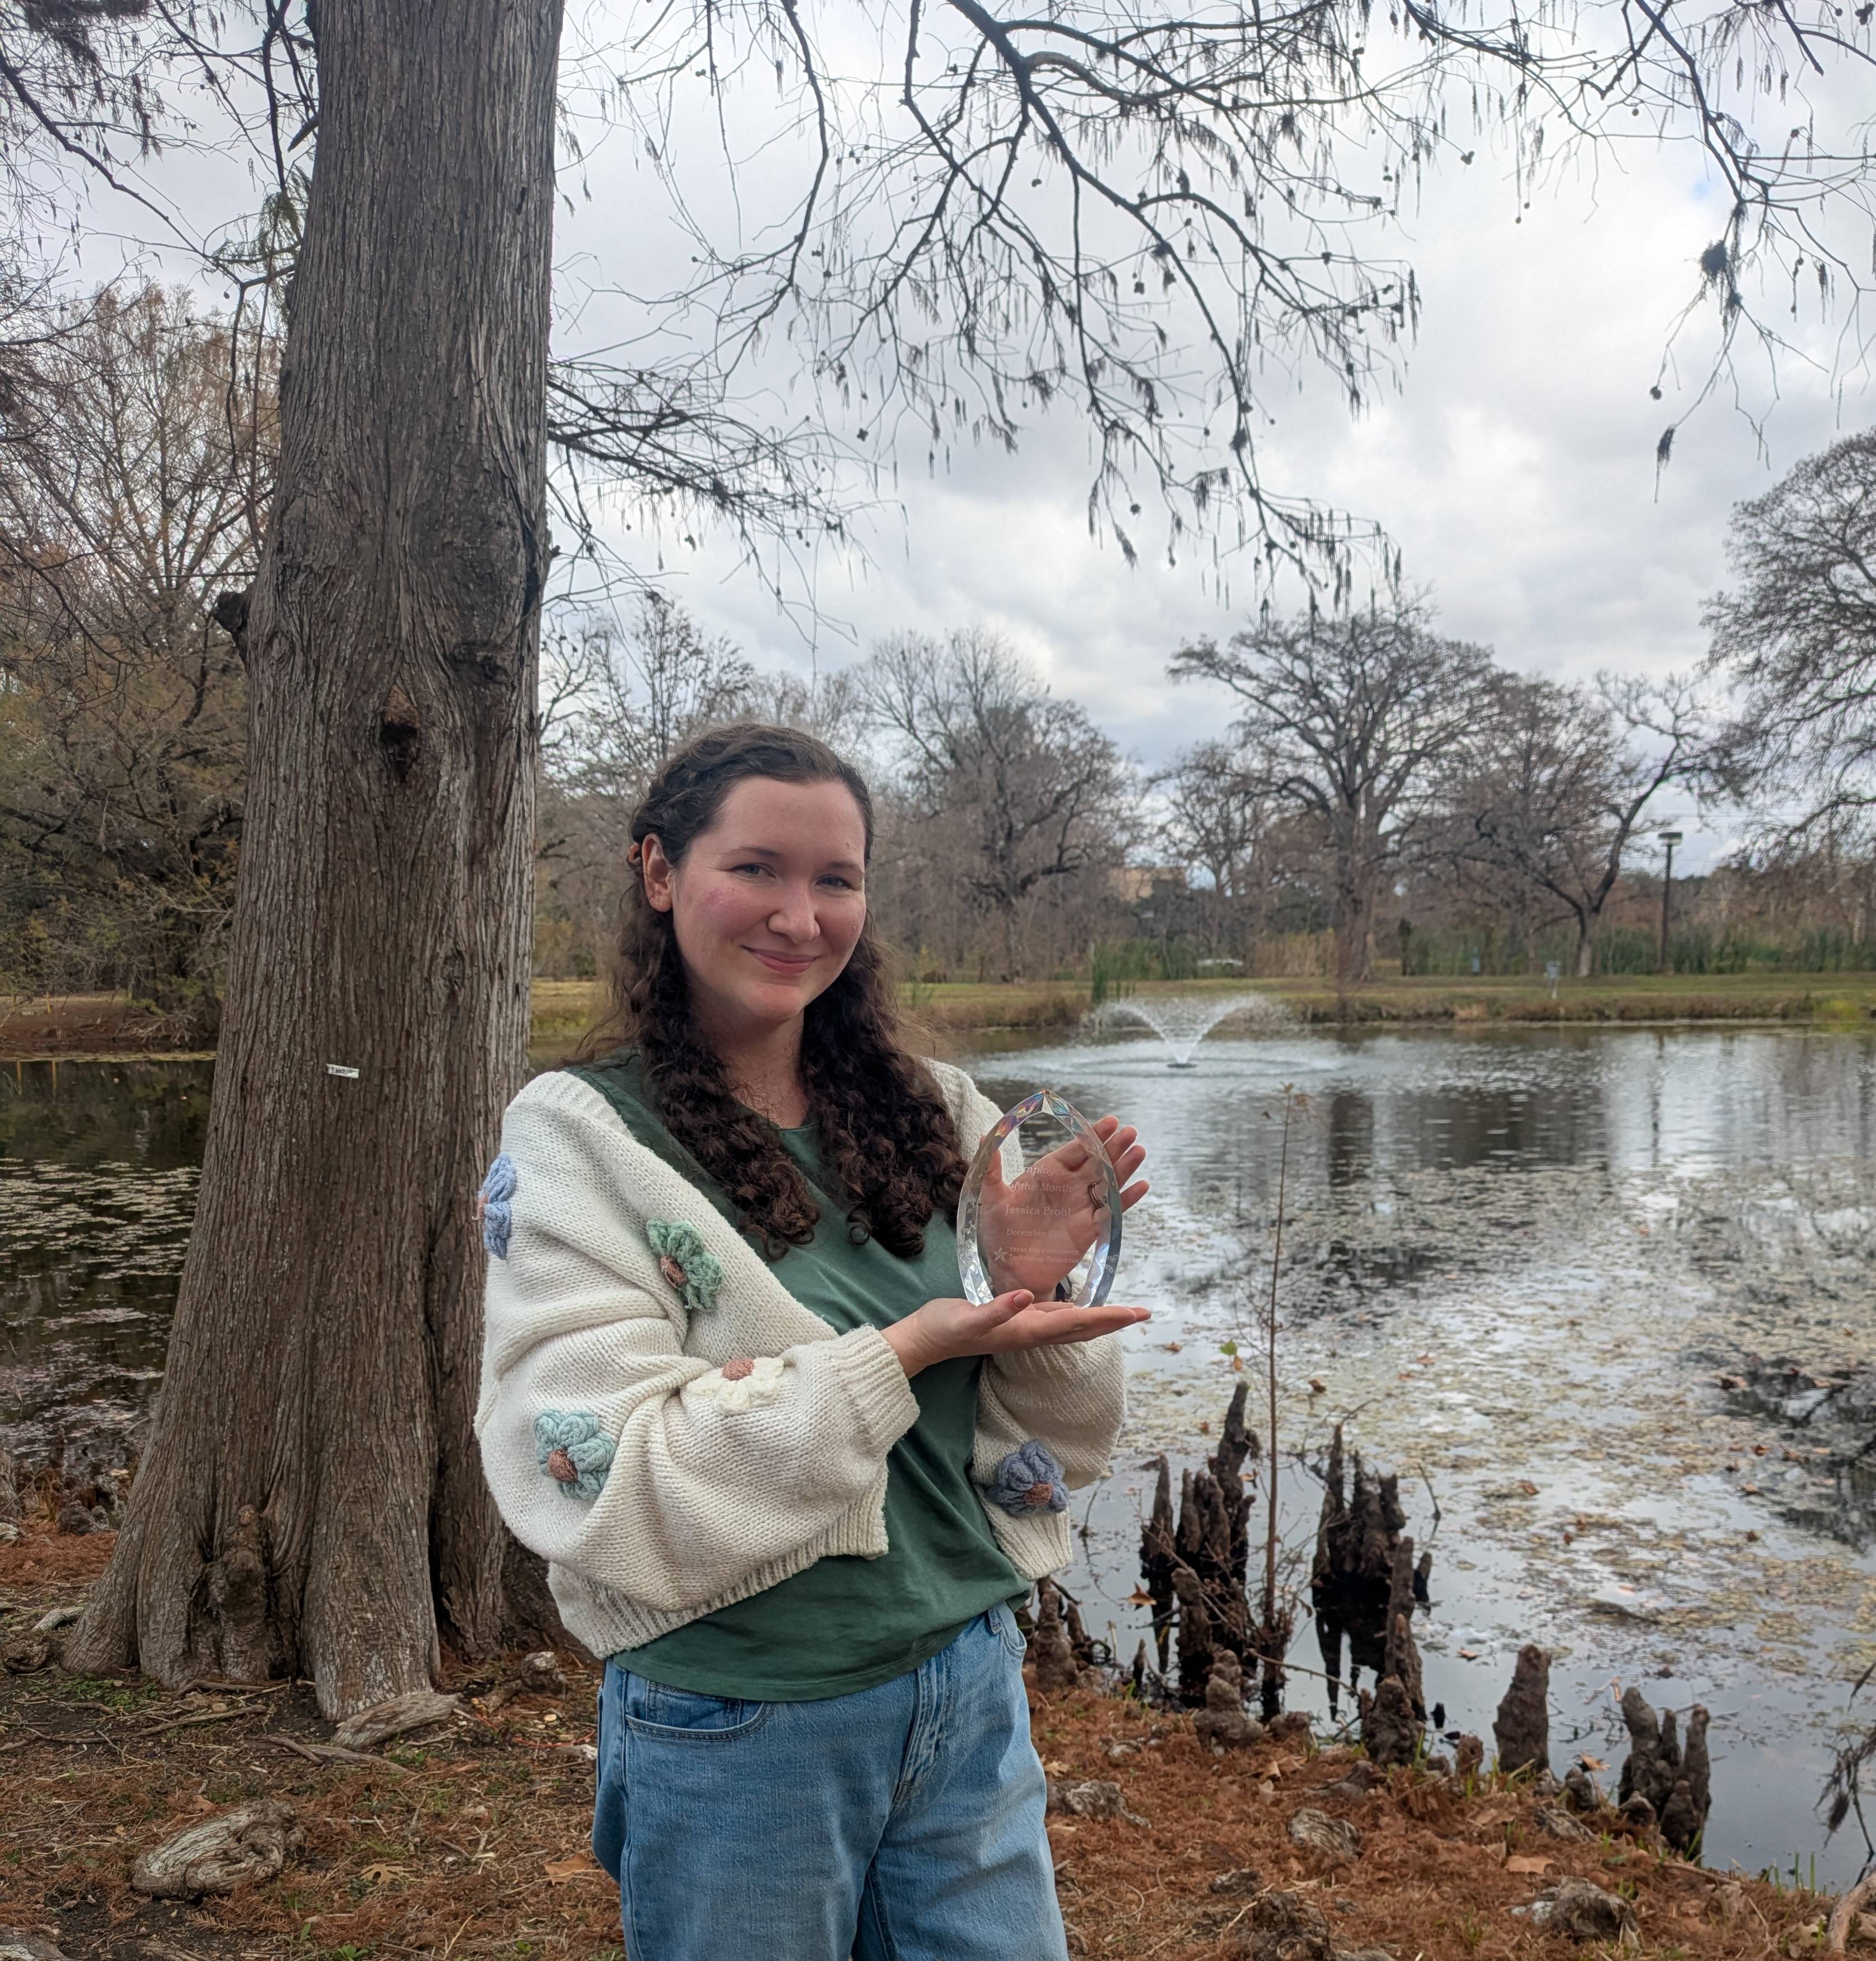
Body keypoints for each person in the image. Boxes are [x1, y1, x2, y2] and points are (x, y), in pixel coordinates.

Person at [474, 723, 1151, 1961]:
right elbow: (599, 1472)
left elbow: (1050, 1443)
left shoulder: (937, 1110)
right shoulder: (583, 1140)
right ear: (659, 870)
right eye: (757, 868)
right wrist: (902, 1351)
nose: (800, 916)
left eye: (836, 878)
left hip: (966, 1683)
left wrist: (1020, 1298)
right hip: (743, 1716)